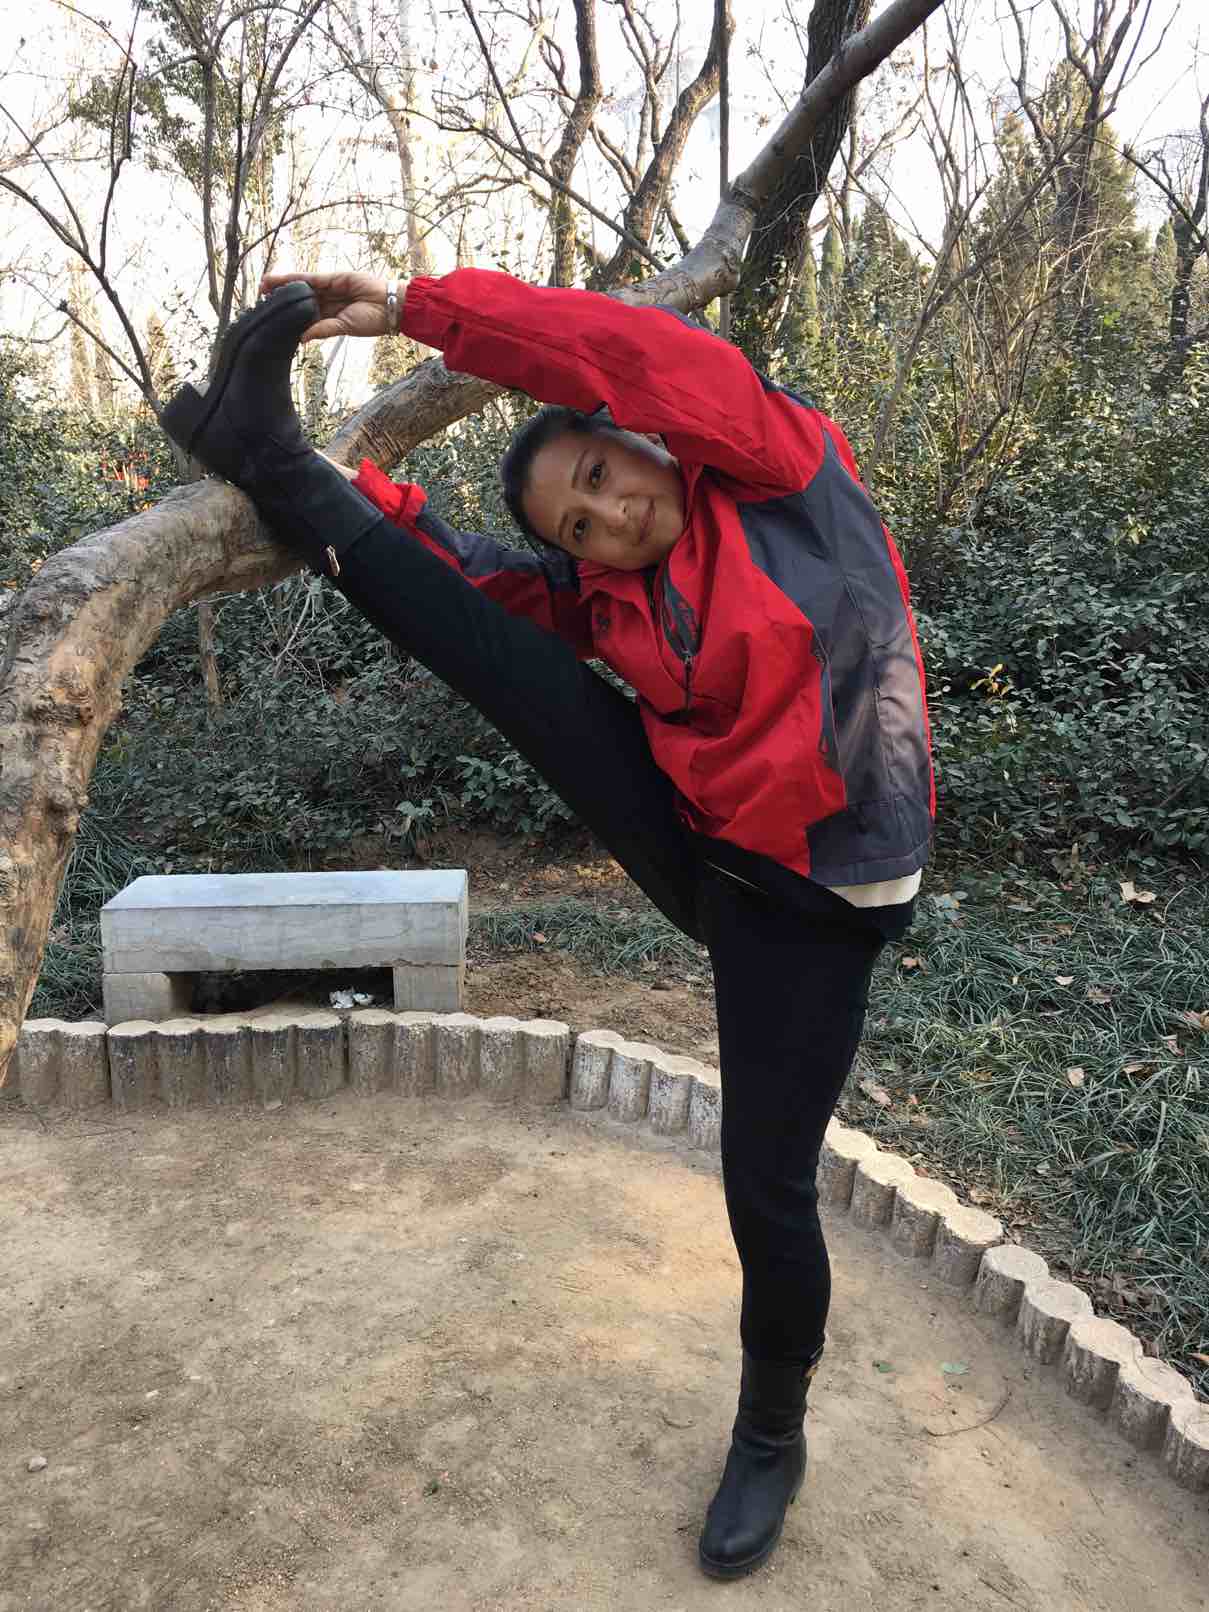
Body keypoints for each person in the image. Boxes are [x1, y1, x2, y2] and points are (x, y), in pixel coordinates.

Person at [161, 265, 934, 1581]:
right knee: (514, 664)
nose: (612, 516)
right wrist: (353, 492)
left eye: (602, 474)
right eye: (581, 524)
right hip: (706, 853)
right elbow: (472, 585)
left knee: (766, 1180)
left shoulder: (779, 473)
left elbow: (625, 352)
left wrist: (417, 310)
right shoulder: (608, 598)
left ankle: (770, 1431)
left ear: (638, 440)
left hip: (812, 903)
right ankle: (269, 458)